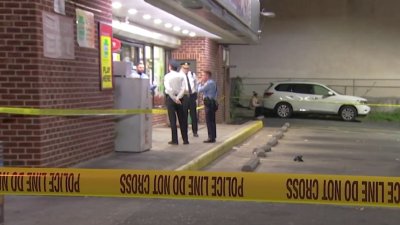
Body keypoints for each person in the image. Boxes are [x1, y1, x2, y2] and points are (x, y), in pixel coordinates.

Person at [164, 60, 189, 145]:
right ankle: (185, 140)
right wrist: (178, 98)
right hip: (180, 99)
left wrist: (174, 98)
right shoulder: (181, 76)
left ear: (170, 67)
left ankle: (175, 140)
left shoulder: (167, 76)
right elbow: (183, 88)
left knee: (173, 120)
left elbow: (168, 89)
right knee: (182, 119)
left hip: (171, 99)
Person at [197, 70, 218, 143]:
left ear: (207, 76)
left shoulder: (209, 83)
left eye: (203, 75)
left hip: (209, 104)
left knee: (209, 121)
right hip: (212, 103)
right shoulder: (213, 82)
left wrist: (199, 83)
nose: (202, 77)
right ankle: (213, 136)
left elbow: (199, 90)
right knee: (212, 121)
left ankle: (210, 137)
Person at [180, 62, 198, 137]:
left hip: (192, 96)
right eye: (185, 68)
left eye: (187, 68)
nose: (186, 69)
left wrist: (195, 93)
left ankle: (195, 131)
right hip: (184, 96)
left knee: (193, 115)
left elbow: (196, 83)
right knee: (184, 115)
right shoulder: (179, 75)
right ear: (182, 67)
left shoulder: (192, 74)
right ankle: (185, 132)